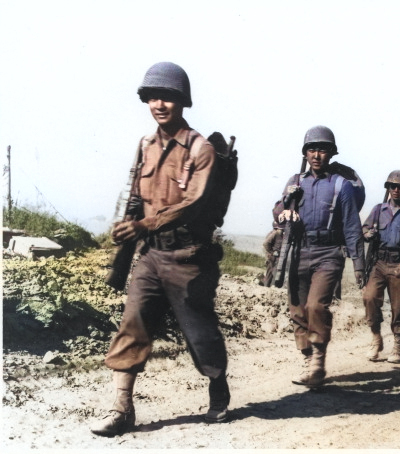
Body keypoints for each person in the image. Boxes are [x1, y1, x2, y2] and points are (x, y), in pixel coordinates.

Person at [91, 62, 232, 436]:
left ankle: (218, 388)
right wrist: (128, 228)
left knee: (200, 333)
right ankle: (122, 407)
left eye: (167, 97)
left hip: (188, 257)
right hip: (150, 255)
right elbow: (136, 195)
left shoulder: (200, 149)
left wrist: (144, 224)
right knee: (132, 323)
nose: (159, 104)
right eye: (152, 97)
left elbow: (194, 204)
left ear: (182, 101)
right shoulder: (145, 146)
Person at [273, 125, 365, 388]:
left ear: (331, 154)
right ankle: (307, 357)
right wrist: (285, 209)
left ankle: (318, 359)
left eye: (322, 150)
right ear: (305, 153)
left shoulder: (341, 186)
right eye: (312, 149)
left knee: (316, 306)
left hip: (328, 253)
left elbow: (351, 226)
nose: (316, 155)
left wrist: (358, 264)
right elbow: (277, 211)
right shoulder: (295, 181)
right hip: (299, 250)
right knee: (297, 310)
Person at [362, 170, 400, 363]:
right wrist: (367, 233)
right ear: (388, 188)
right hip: (379, 262)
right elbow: (365, 228)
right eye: (392, 186)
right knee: (369, 297)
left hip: (398, 263)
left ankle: (397, 345)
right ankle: (375, 337)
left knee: (398, 306)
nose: (396, 190)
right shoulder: (378, 210)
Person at [262, 221, 284, 287]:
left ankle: (267, 285)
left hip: (273, 255)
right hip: (273, 256)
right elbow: (266, 244)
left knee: (270, 272)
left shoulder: (273, 233)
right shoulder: (275, 233)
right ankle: (267, 286)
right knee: (272, 272)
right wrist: (272, 252)